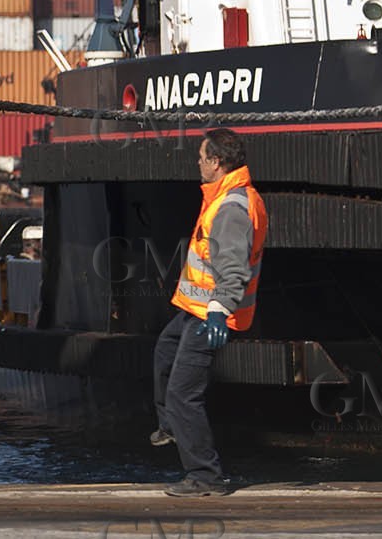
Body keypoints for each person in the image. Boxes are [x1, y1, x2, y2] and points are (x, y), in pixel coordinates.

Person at [151, 128, 268, 497]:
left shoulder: (232, 209)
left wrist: (218, 313)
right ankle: (171, 426)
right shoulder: (224, 196)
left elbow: (233, 271)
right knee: (164, 355)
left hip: (210, 314)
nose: (197, 163)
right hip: (194, 308)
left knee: (183, 394)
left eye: (202, 157)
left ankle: (205, 476)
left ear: (216, 163)